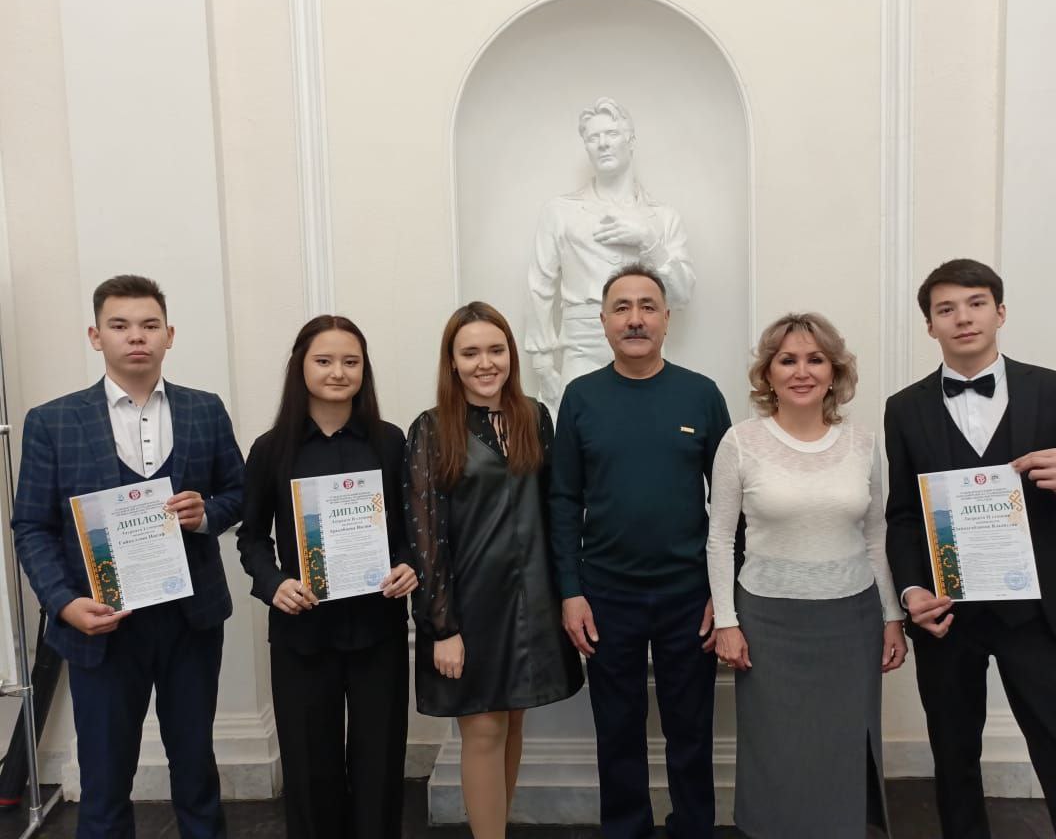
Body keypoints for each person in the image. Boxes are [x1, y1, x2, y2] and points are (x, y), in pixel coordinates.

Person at [885, 258, 1056, 839]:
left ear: (1000, 312)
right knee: (954, 760)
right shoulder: (904, 408)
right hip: (949, 614)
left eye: (976, 303)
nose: (962, 318)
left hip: (1043, 613)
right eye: (946, 309)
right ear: (930, 325)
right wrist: (913, 591)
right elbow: (902, 514)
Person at [12, 275, 244, 839]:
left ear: (169, 335)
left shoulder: (205, 410)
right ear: (96, 336)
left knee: (196, 766)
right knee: (105, 775)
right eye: (119, 325)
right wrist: (64, 604)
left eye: (148, 325)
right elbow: (32, 526)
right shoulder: (51, 422)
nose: (136, 336)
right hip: (101, 625)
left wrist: (206, 513)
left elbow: (240, 493)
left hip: (190, 621)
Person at [706, 312, 906, 837]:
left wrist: (892, 617)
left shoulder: (863, 443)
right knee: (776, 752)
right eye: (787, 360)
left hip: (852, 623)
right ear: (768, 373)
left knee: (841, 749)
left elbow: (876, 536)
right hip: (768, 625)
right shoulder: (740, 442)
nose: (802, 371)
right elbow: (720, 540)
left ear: (834, 371)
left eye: (815, 359)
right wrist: (726, 621)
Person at [550, 263, 729, 839]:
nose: (635, 319)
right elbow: (562, 500)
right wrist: (571, 592)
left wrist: (723, 596)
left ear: (667, 319)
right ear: (603, 321)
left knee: (691, 732)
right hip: (606, 597)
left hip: (689, 597)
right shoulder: (580, 398)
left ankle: (693, 829)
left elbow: (732, 505)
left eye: (647, 306)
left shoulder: (701, 395)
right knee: (618, 732)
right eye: (622, 308)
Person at [404, 302, 582, 839]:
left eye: (496, 350)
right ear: (452, 362)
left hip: (532, 602)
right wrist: (442, 627)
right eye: (471, 352)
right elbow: (424, 537)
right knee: (482, 730)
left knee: (512, 723)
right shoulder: (431, 428)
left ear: (511, 355)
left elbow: (553, 510)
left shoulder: (536, 416)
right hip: (469, 607)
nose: (486, 363)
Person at [236, 315, 416, 839]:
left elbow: (411, 532)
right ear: (301, 367)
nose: (338, 372)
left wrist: (409, 565)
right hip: (302, 632)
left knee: (380, 763)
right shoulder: (271, 449)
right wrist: (274, 584)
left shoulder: (390, 442)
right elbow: (251, 539)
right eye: (324, 360)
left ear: (364, 370)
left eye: (350, 362)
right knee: (309, 768)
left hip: (377, 629)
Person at [525, 96, 696, 414]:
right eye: (593, 137)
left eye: (611, 134)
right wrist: (542, 360)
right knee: (576, 429)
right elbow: (540, 285)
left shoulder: (663, 217)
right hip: (581, 347)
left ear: (631, 141)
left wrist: (648, 241)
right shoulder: (560, 212)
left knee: (647, 428)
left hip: (645, 348)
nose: (602, 143)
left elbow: (681, 294)